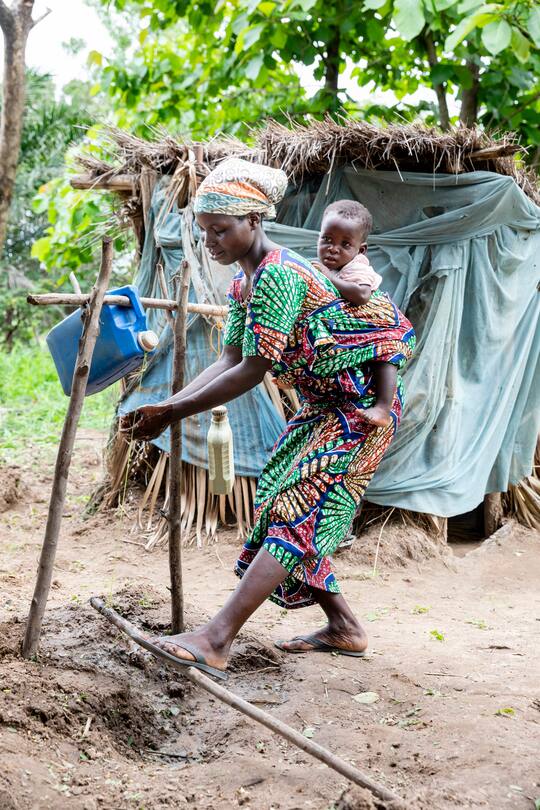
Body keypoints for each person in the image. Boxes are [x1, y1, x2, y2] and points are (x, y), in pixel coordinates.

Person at [122, 158, 415, 678]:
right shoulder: (244, 285)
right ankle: (345, 627)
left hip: (359, 414)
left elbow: (254, 370)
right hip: (321, 410)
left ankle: (216, 638)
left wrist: (171, 412)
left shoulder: (279, 276)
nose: (210, 241)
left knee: (296, 509)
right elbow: (228, 359)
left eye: (220, 230)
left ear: (253, 222)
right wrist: (167, 409)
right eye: (204, 231)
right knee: (290, 504)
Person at [315, 199, 397, 428]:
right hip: (354, 334)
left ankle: (383, 407)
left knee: (387, 356)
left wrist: (329, 278)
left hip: (382, 328)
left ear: (360, 250)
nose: (333, 248)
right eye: (327, 239)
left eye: (345, 244)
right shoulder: (329, 268)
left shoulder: (357, 267)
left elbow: (361, 295)